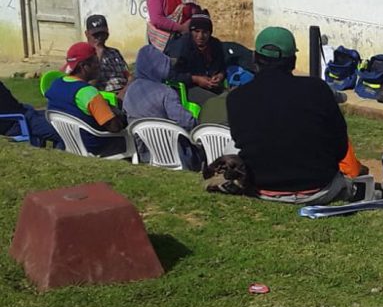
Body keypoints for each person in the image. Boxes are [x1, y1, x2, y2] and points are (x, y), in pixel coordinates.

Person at [226, 27, 354, 204]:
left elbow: (242, 142)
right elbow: (340, 147)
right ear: (293, 61)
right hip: (318, 188)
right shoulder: (318, 90)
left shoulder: (236, 98)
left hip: (261, 188)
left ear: (255, 59)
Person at [45, 43, 126, 156]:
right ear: (84, 66)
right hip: (94, 146)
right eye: (96, 62)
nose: (99, 66)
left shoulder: (56, 84)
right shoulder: (88, 92)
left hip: (68, 143)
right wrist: (115, 112)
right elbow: (114, 127)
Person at [122, 46, 196, 131]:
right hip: (167, 142)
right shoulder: (166, 93)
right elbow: (186, 122)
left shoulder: (130, 90)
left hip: (138, 142)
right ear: (161, 69)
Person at [167, 12, 226, 105]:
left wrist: (220, 75)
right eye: (197, 31)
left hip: (212, 87)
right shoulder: (181, 46)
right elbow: (171, 74)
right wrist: (195, 79)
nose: (200, 36)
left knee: (233, 99)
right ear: (191, 31)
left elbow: (222, 66)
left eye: (205, 32)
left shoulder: (215, 45)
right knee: (217, 103)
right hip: (188, 88)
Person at [0, 80, 64, 149]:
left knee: (59, 116)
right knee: (63, 130)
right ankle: (59, 157)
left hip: (24, 114)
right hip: (18, 121)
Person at [84, 14, 132, 96]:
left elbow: (128, 75)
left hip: (124, 92)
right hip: (106, 95)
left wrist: (126, 89)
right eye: (96, 35)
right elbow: (90, 85)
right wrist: (98, 55)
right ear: (87, 34)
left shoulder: (114, 52)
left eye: (103, 34)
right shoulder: (85, 55)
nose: (100, 38)